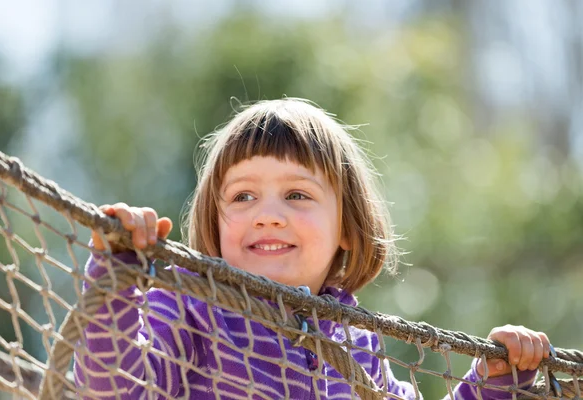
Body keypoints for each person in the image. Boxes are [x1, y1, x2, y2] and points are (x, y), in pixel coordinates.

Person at [74, 98, 551, 399]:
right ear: (215, 223)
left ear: (346, 228)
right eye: (243, 196)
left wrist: (494, 381)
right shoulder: (191, 307)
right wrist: (118, 276)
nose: (268, 214)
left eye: (297, 195)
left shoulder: (357, 338)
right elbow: (113, 388)